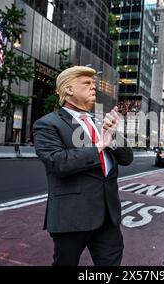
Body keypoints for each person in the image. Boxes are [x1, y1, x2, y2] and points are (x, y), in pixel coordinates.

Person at [33, 66, 133, 266]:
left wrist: (113, 135)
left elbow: (127, 158)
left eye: (93, 84)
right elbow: (58, 162)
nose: (93, 87)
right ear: (69, 90)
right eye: (86, 83)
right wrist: (99, 145)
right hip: (72, 217)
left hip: (108, 217)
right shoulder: (48, 124)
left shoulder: (100, 121)